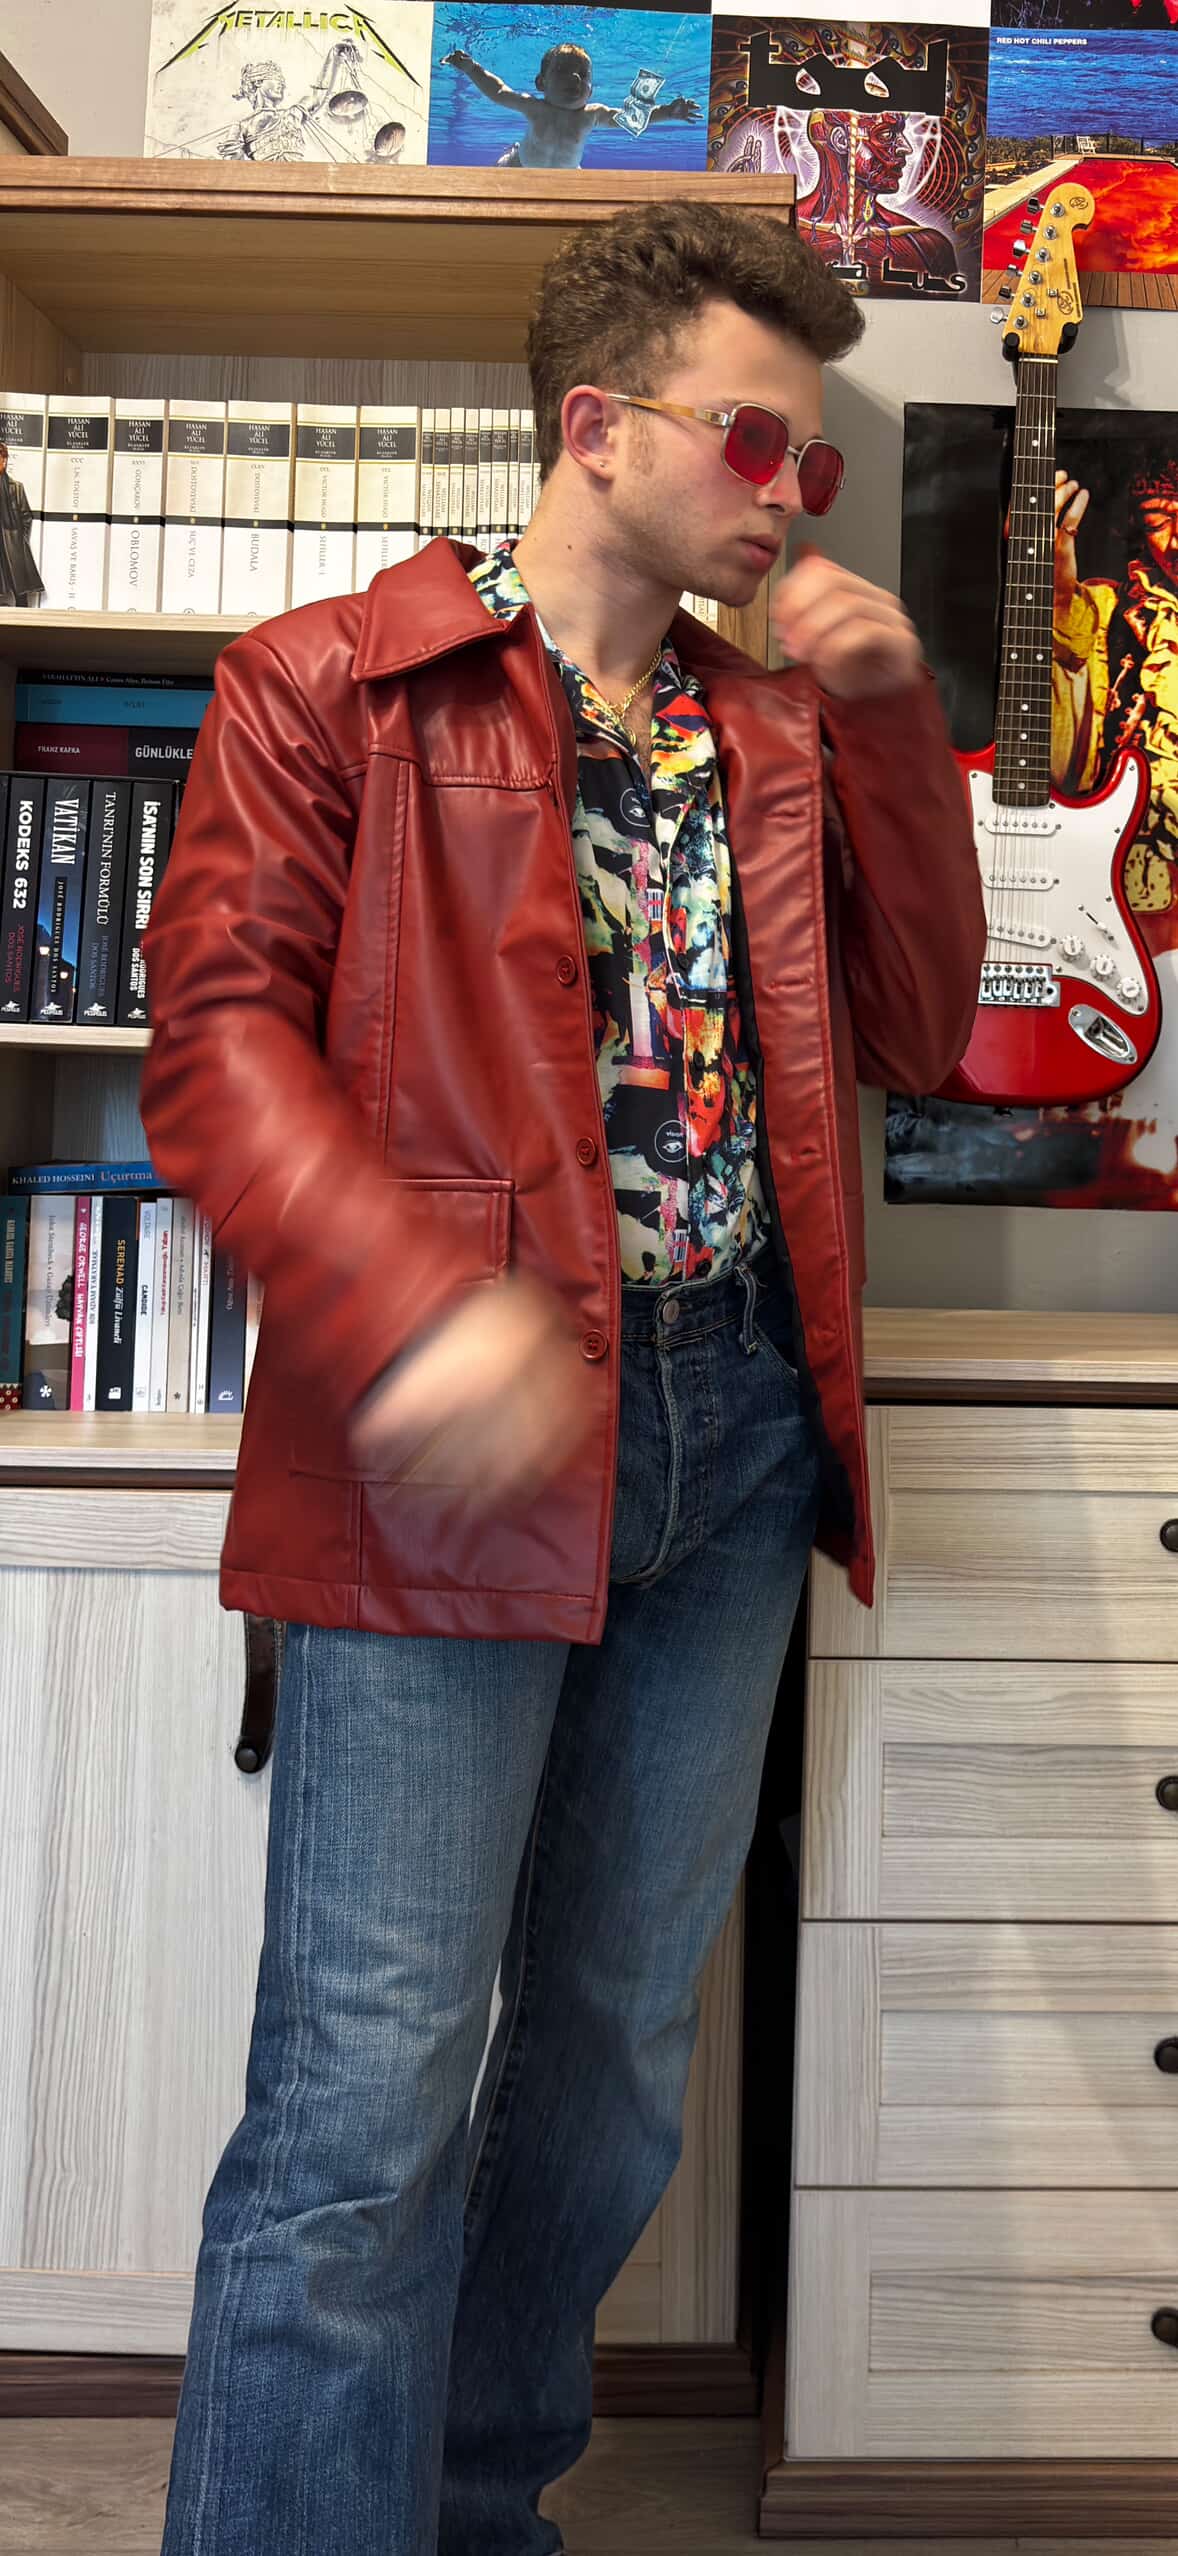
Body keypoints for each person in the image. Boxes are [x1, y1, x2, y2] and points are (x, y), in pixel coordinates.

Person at [141, 199, 984, 2556]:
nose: (790, 495)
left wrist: (894, 724)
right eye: (756, 442)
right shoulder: (327, 683)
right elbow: (212, 1047)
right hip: (445, 1457)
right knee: (366, 2095)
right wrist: (410, 1304)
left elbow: (920, 1031)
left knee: (610, 2072)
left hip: (731, 1439)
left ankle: (470, 2505)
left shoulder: (781, 733)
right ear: (596, 429)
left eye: (815, 462)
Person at [1053, 457, 1178, 917]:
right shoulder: (1107, 612)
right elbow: (1058, 761)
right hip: (1126, 896)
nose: (1176, 541)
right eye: (1159, 523)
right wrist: (1057, 590)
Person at [441, 38, 700, 168]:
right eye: (563, 70)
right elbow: (498, 92)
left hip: (567, 174)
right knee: (496, 175)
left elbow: (631, 119)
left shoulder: (592, 114)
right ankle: (513, 151)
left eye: (583, 75)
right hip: (520, 165)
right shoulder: (535, 107)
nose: (575, 77)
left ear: (591, 90)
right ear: (541, 82)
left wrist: (667, 112)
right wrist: (471, 68)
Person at [0, 443, 44, 607]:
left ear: (4, 460)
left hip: (12, 543)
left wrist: (20, 538)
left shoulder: (16, 487)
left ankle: (22, 613)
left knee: (19, 586)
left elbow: (26, 516)